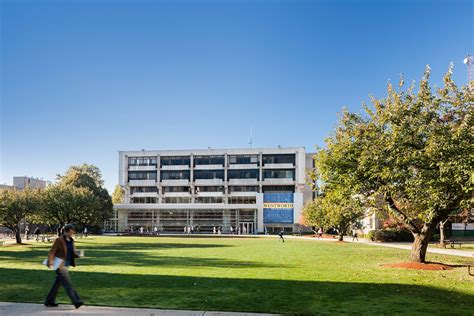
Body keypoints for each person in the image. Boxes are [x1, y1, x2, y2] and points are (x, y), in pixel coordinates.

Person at [44, 224, 84, 309]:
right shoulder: (59, 240)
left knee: (57, 284)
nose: (72, 234)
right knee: (67, 284)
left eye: (72, 232)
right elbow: (52, 251)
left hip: (67, 264)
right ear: (66, 231)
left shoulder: (71, 240)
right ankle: (77, 301)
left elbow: (71, 252)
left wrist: (78, 254)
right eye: (70, 232)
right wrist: (50, 262)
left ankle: (49, 300)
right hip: (59, 265)